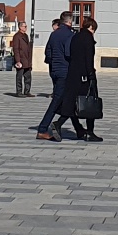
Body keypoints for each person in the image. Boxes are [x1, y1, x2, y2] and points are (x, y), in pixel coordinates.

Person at [35, 13, 75, 141]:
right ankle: (43, 128)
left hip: (55, 70)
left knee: (67, 99)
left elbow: (48, 52)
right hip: (65, 71)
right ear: (70, 22)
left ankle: (78, 128)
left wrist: (53, 64)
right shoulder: (70, 35)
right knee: (57, 100)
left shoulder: (54, 34)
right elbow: (69, 54)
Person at [63, 15, 103, 141]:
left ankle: (78, 128)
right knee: (90, 102)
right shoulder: (88, 38)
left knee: (74, 104)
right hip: (85, 76)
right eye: (94, 29)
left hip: (73, 74)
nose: (93, 32)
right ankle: (89, 132)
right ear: (90, 27)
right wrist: (91, 75)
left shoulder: (75, 37)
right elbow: (88, 59)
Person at [10, 27, 34, 97]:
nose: (26, 28)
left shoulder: (26, 35)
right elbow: (16, 49)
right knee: (19, 77)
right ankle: (19, 92)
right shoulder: (17, 36)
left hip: (27, 60)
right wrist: (18, 61)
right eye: (24, 26)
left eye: (26, 26)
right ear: (20, 27)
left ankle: (27, 91)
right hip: (21, 60)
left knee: (28, 77)